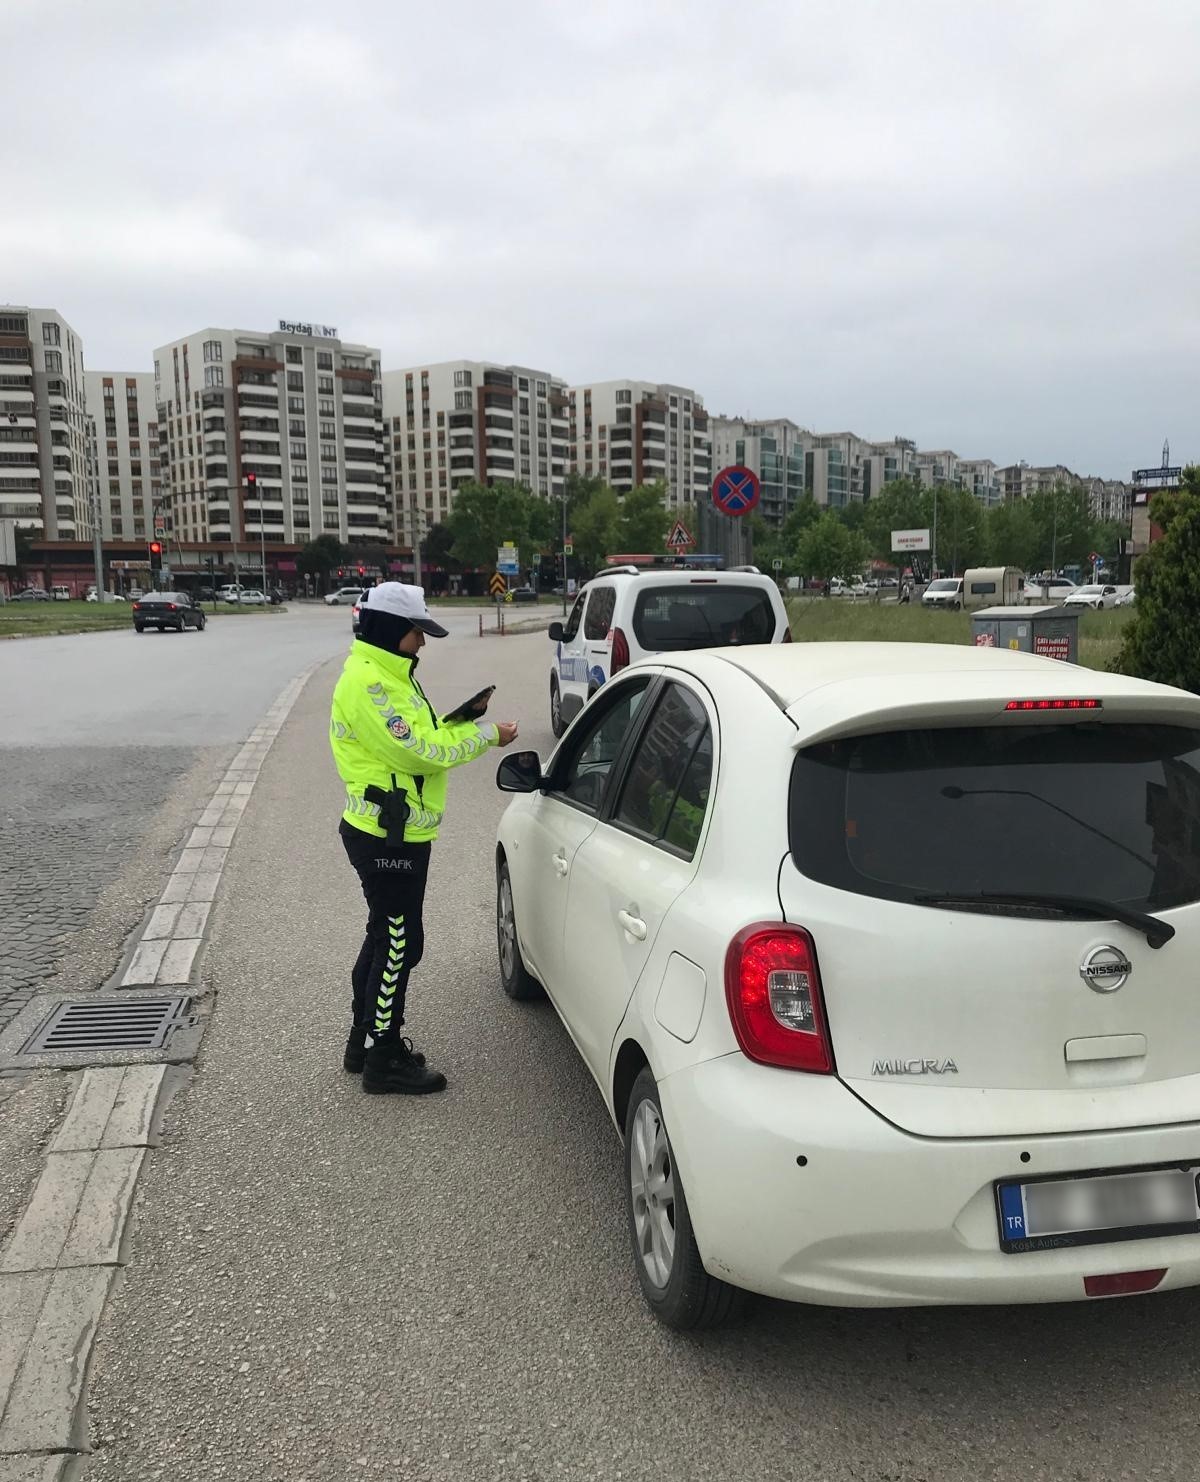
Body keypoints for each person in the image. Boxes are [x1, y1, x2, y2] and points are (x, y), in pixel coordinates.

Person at [329, 582, 518, 1095]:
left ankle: (363, 1042)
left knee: (385, 937)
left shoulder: (391, 673)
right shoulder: (370, 684)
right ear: (393, 630)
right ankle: (383, 1058)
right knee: (398, 943)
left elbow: (423, 733)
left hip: (398, 831)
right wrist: (486, 736)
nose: (423, 643)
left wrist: (460, 720)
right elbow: (420, 753)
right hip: (385, 838)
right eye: (418, 633)